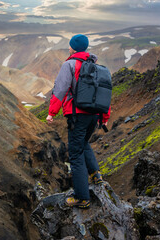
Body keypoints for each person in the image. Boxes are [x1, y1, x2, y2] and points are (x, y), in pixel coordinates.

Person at [46, 34, 110, 209]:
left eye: (70, 45)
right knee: (83, 143)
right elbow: (104, 93)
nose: (69, 48)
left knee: (75, 154)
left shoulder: (70, 64)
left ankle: (82, 197)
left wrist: (52, 113)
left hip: (78, 115)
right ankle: (96, 174)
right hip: (94, 115)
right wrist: (104, 118)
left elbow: (60, 89)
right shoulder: (95, 66)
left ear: (73, 48)